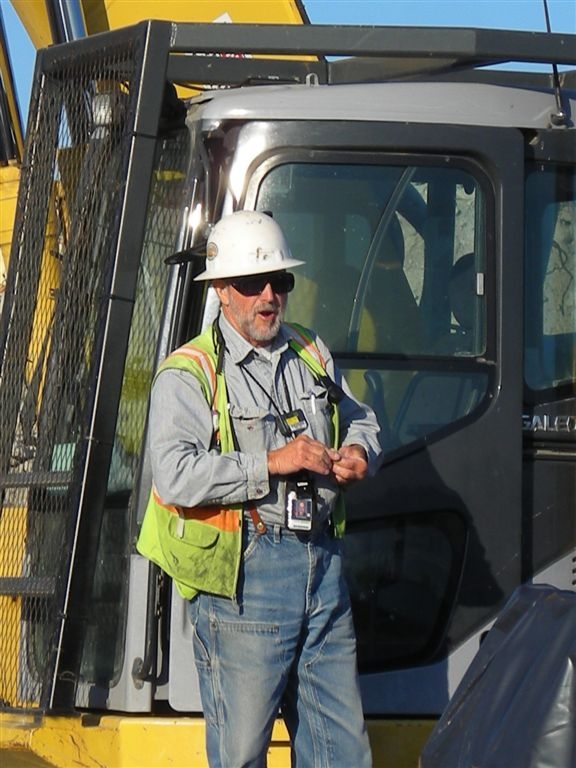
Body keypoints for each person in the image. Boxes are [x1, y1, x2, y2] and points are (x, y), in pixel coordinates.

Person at [142, 210, 381, 768]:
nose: (270, 295)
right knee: (243, 754)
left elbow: (362, 417)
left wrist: (360, 451)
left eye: (281, 282)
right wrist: (271, 462)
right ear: (222, 291)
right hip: (248, 582)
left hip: (323, 569)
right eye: (253, 284)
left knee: (341, 752)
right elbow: (175, 473)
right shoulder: (190, 373)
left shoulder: (310, 352)